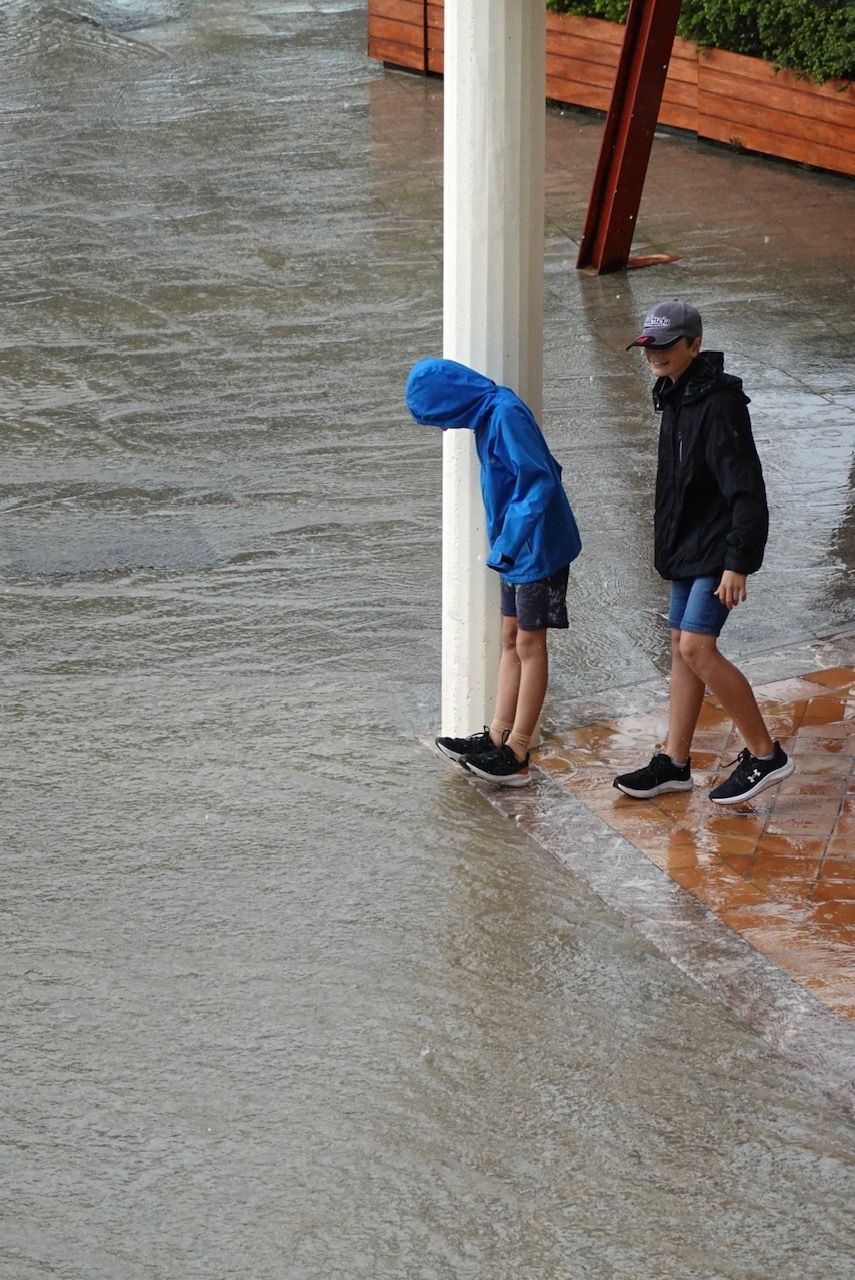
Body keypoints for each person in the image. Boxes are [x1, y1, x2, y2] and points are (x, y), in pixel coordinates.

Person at [614, 299, 794, 805]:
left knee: (696, 646)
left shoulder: (719, 401)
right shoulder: (674, 394)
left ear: (694, 344)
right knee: (679, 645)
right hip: (689, 545)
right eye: (650, 345)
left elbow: (746, 488)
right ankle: (674, 763)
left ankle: (765, 755)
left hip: (719, 549)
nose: (656, 354)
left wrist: (738, 562)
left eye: (668, 345)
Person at [406, 357, 581, 787]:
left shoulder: (505, 414)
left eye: (441, 418)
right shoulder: (486, 415)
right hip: (516, 549)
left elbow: (541, 480)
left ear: (451, 400)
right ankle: (496, 736)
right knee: (509, 638)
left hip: (535, 547)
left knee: (529, 642)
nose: (445, 429)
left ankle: (518, 752)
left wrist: (508, 543)